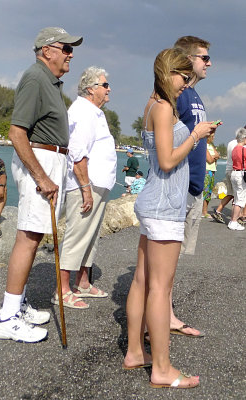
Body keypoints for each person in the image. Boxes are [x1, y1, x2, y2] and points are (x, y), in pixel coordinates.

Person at [123, 48, 215, 389]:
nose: (185, 85)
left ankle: (135, 352)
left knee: (142, 281)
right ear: (169, 72)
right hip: (164, 206)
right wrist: (195, 136)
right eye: (183, 78)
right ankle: (162, 368)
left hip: (153, 203)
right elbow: (165, 160)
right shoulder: (163, 108)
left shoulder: (152, 105)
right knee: (159, 288)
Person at [0, 27, 83, 343]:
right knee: (28, 237)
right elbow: (17, 134)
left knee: (33, 234)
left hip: (49, 161)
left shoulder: (51, 81)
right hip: (40, 164)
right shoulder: (35, 77)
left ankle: (18, 304)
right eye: (66, 48)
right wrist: (42, 176)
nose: (71, 54)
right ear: (47, 50)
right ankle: (7, 317)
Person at [51, 66, 117, 309]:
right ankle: (62, 289)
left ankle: (82, 282)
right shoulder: (83, 112)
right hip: (85, 185)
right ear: (91, 89)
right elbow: (78, 153)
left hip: (97, 183)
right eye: (105, 85)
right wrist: (85, 187)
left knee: (90, 236)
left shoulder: (94, 112)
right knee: (77, 235)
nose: (109, 89)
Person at [169, 35, 215, 337]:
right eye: (203, 57)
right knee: (165, 259)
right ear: (187, 60)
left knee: (174, 260)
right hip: (179, 186)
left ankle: (166, 313)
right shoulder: (179, 94)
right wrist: (197, 135)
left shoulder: (195, 96)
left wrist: (204, 134)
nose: (209, 63)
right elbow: (168, 141)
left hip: (195, 186)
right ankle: (159, 318)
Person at [228, 127, 246, 230]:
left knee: (236, 198)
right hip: (240, 174)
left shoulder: (234, 149)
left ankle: (232, 220)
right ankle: (234, 221)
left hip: (234, 173)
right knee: (240, 200)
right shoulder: (243, 149)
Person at [202, 133, 220, 218]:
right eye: (212, 136)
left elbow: (217, 155)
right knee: (205, 191)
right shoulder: (204, 145)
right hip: (206, 170)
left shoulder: (211, 146)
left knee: (209, 191)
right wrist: (214, 157)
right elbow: (209, 160)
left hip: (212, 170)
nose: (214, 137)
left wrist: (213, 156)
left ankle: (204, 211)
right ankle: (203, 211)